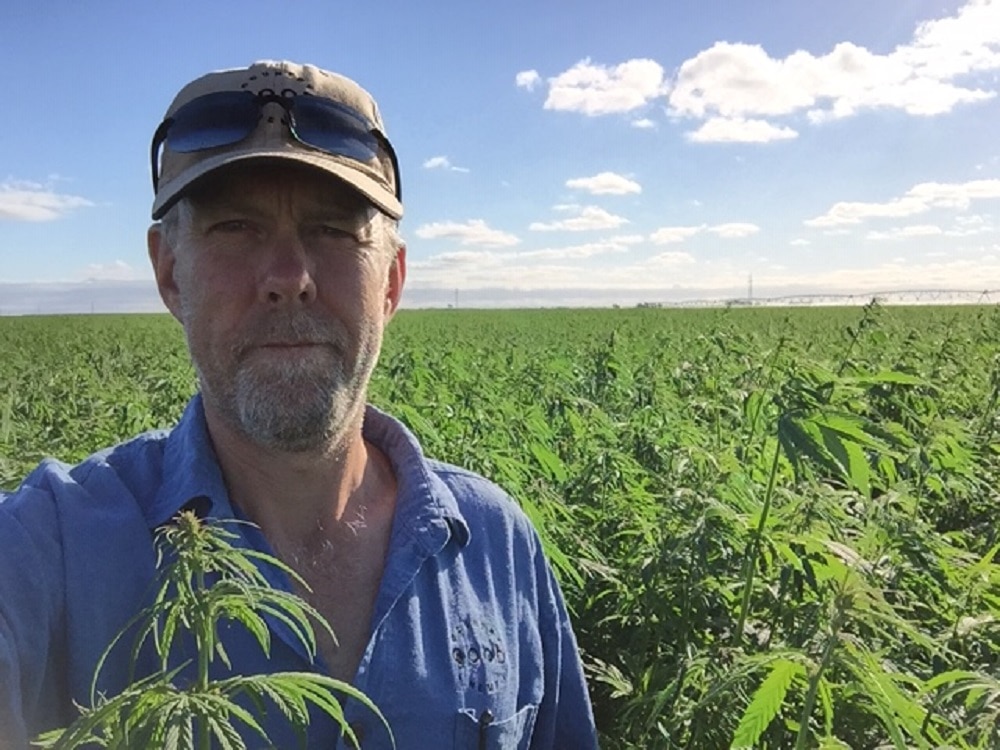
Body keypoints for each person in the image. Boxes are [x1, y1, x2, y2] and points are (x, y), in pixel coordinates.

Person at [0, 61, 598, 748]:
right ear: (169, 274)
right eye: (235, 227)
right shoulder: (51, 546)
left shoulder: (496, 545)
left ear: (392, 282)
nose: (290, 278)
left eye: (333, 231)